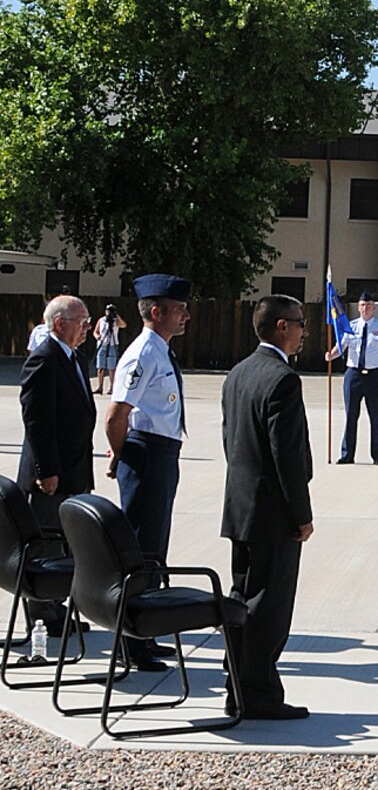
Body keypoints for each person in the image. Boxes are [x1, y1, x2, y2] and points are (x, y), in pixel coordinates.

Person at [220, 294, 315, 721]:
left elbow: (232, 443)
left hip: (242, 508)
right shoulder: (281, 379)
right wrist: (301, 514)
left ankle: (237, 685)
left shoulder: (238, 374)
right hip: (272, 514)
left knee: (243, 598)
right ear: (281, 326)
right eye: (299, 323)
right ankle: (256, 693)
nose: (303, 331)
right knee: (268, 608)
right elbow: (287, 456)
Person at [106, 272, 191, 672]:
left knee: (154, 549)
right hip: (146, 454)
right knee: (140, 549)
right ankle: (130, 642)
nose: (186, 315)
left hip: (162, 454)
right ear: (155, 311)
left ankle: (146, 632)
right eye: (178, 309)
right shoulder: (142, 353)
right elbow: (116, 414)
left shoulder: (161, 350)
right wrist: (121, 455)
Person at [17, 296, 95, 636]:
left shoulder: (73, 357)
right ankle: (41, 615)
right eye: (82, 321)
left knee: (63, 543)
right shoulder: (44, 360)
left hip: (73, 470)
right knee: (44, 545)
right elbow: (37, 420)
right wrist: (45, 470)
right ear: (60, 323)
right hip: (50, 474)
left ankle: (55, 608)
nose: (87, 328)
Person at [326, 292, 378, 464]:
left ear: (374, 308)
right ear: (358, 308)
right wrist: (331, 355)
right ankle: (347, 455)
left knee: (375, 416)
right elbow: (340, 347)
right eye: (362, 305)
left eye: (368, 305)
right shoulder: (350, 327)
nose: (365, 308)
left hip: (374, 376)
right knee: (351, 415)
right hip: (354, 375)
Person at [92, 305, 126, 395]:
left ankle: (112, 388)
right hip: (102, 344)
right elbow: (95, 331)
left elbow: (124, 325)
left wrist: (117, 316)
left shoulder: (116, 321)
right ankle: (100, 386)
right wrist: (98, 337)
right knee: (100, 366)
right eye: (108, 311)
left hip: (112, 345)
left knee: (112, 367)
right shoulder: (101, 320)